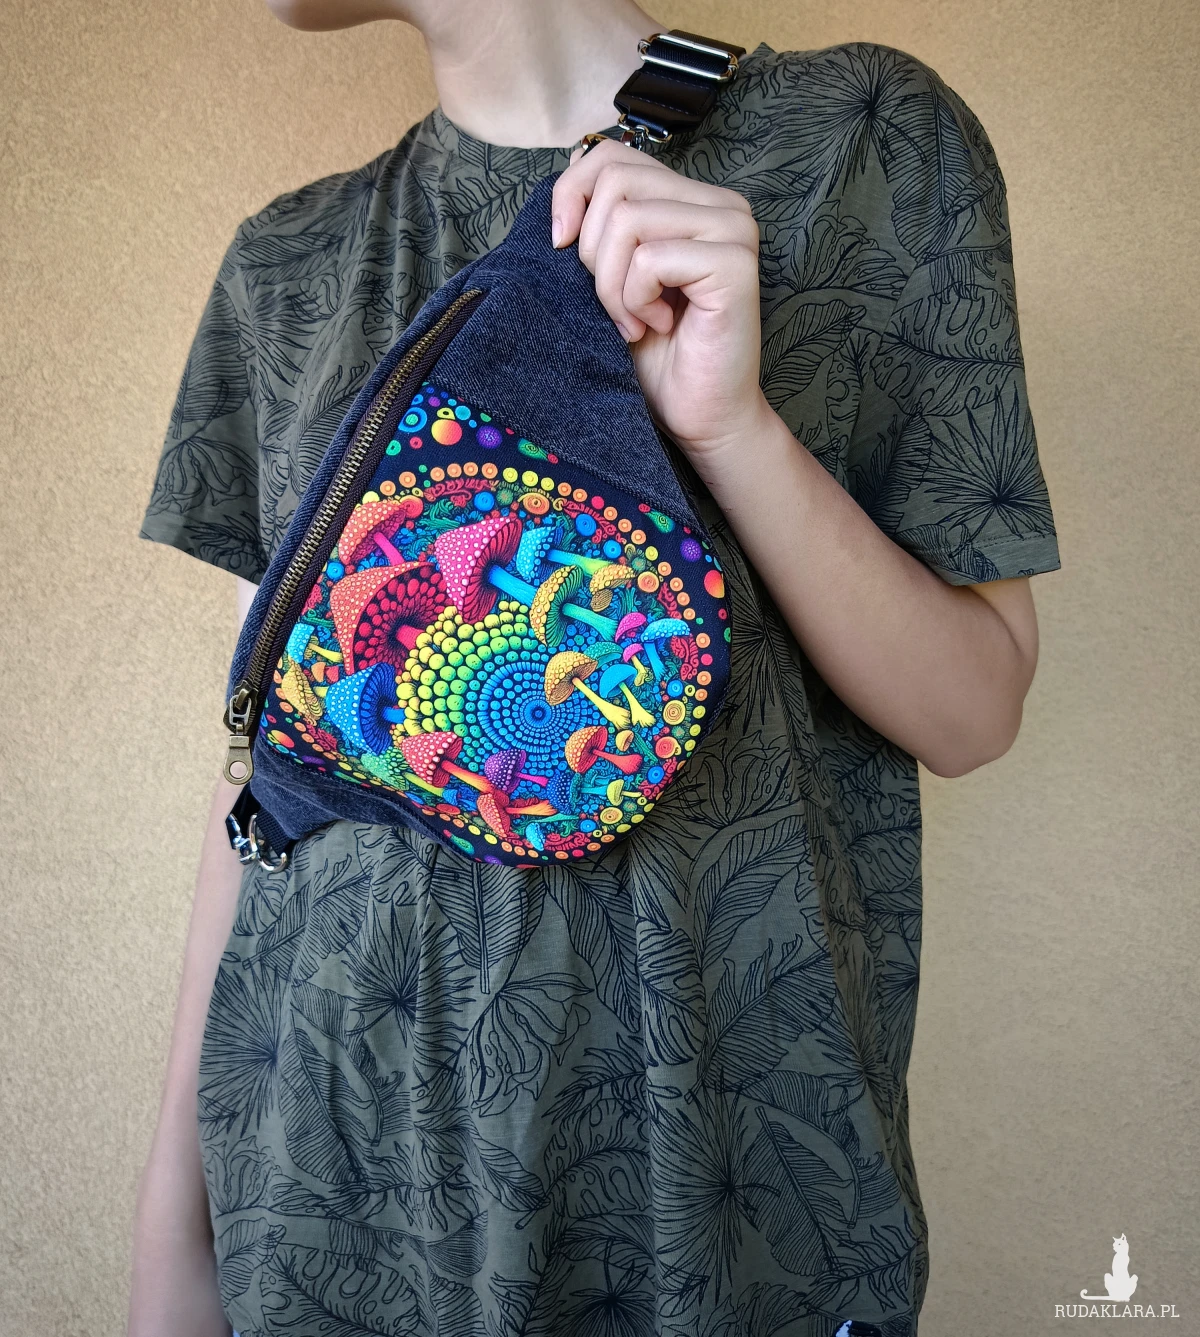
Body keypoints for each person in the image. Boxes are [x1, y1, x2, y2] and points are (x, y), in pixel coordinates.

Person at [129, 2, 1062, 1334]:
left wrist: (731, 428)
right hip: (321, 1202)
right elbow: (266, 780)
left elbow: (974, 711)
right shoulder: (288, 265)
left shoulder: (863, 140)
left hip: (717, 1206)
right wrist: (174, 1228)